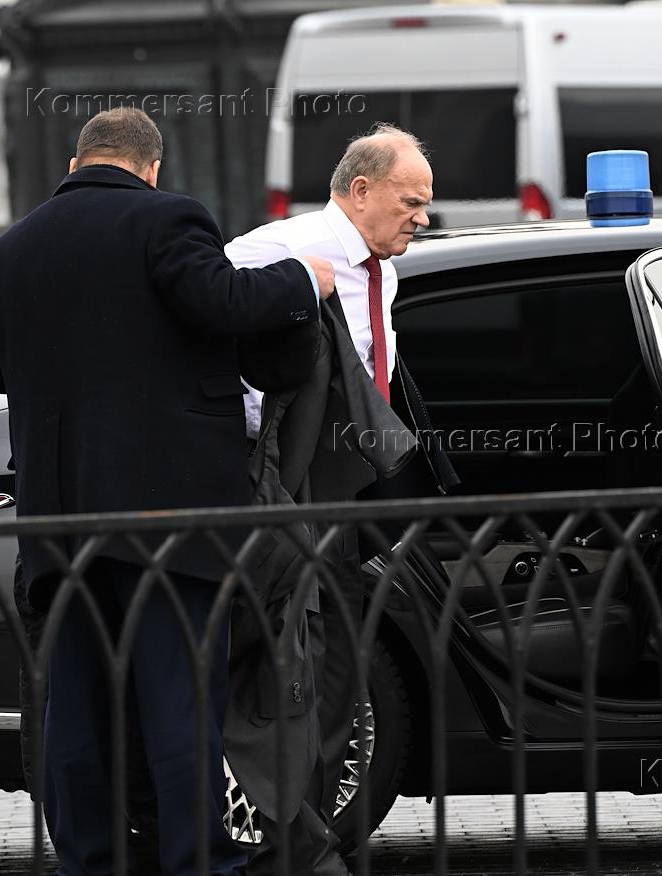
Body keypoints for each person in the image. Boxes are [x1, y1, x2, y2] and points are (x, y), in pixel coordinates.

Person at [0, 106, 335, 876]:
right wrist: (303, 278)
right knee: (179, 704)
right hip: (170, 523)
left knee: (76, 709)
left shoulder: (8, 252)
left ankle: (90, 861)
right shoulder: (168, 220)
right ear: (151, 167)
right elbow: (223, 302)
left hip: (60, 522)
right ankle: (196, 861)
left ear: (77, 163)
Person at [224, 123, 455, 874]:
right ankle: (283, 843)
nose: (422, 217)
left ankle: (314, 836)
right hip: (284, 499)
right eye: (410, 202)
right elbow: (223, 368)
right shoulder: (275, 253)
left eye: (425, 203)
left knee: (335, 675)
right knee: (284, 675)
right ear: (360, 191)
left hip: (343, 502)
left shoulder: (384, 270)